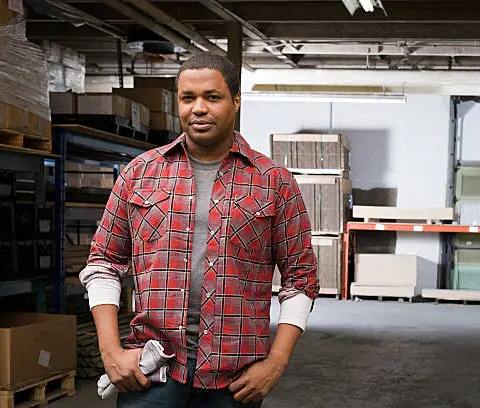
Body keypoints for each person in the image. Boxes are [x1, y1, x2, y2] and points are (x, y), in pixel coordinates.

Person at [79, 51, 320, 408]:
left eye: (212, 97)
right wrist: (110, 351)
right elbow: (103, 262)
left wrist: (277, 362)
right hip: (152, 372)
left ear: (236, 101)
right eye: (188, 98)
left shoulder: (274, 182)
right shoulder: (140, 174)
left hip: (235, 380)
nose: (199, 108)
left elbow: (300, 278)